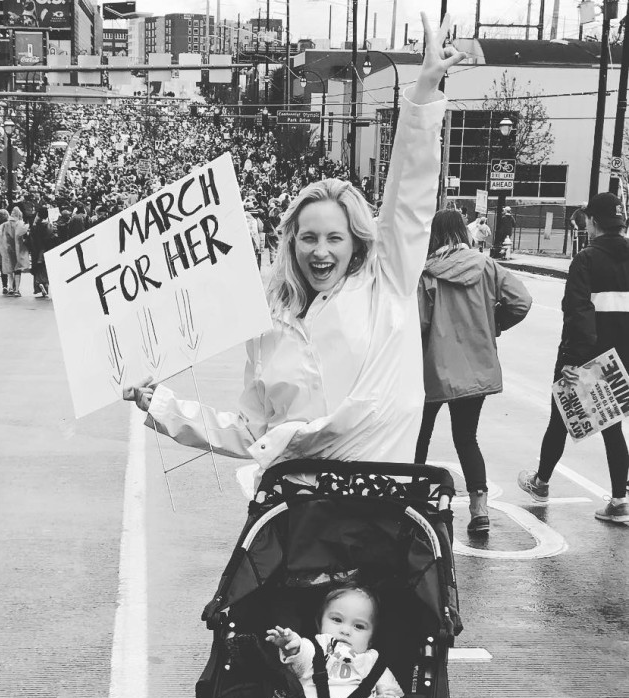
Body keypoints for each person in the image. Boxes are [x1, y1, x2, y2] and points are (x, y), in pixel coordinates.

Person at [123, 13, 464, 491]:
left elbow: (409, 197)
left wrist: (424, 93)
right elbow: (250, 431)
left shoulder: (385, 284)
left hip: (376, 517)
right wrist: (161, 405)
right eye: (309, 237)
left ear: (358, 243)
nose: (320, 251)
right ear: (290, 242)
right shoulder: (267, 325)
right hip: (296, 524)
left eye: (334, 238)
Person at [415, 210, 533, 534]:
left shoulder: (426, 275)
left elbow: (420, 324)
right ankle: (479, 508)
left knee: (419, 436)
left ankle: (411, 499)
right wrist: (496, 324)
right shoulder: (487, 266)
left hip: (432, 371)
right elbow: (522, 301)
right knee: (466, 438)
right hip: (476, 370)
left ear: (434, 236)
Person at [518, 192, 629, 524]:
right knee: (612, 426)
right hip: (622, 359)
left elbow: (577, 312)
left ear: (594, 222)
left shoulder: (587, 259)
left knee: (560, 418)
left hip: (588, 357)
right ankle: (620, 500)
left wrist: (571, 360)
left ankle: (541, 483)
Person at [265, 584, 404, 698]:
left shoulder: (373, 662)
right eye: (337, 620)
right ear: (319, 624)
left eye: (359, 626)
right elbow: (300, 659)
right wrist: (292, 646)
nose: (345, 630)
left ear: (371, 639)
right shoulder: (318, 647)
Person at [0, 207, 31, 297]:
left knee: (10, 269)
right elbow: (23, 233)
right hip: (18, 249)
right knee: (17, 270)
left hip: (8, 249)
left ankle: (10, 287)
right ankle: (17, 290)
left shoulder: (5, 225)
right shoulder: (20, 224)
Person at [29, 206, 55, 298]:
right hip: (46, 248)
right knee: (45, 268)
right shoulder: (48, 225)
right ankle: (46, 284)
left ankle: (39, 284)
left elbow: (31, 238)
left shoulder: (35, 226)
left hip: (36, 249)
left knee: (37, 268)